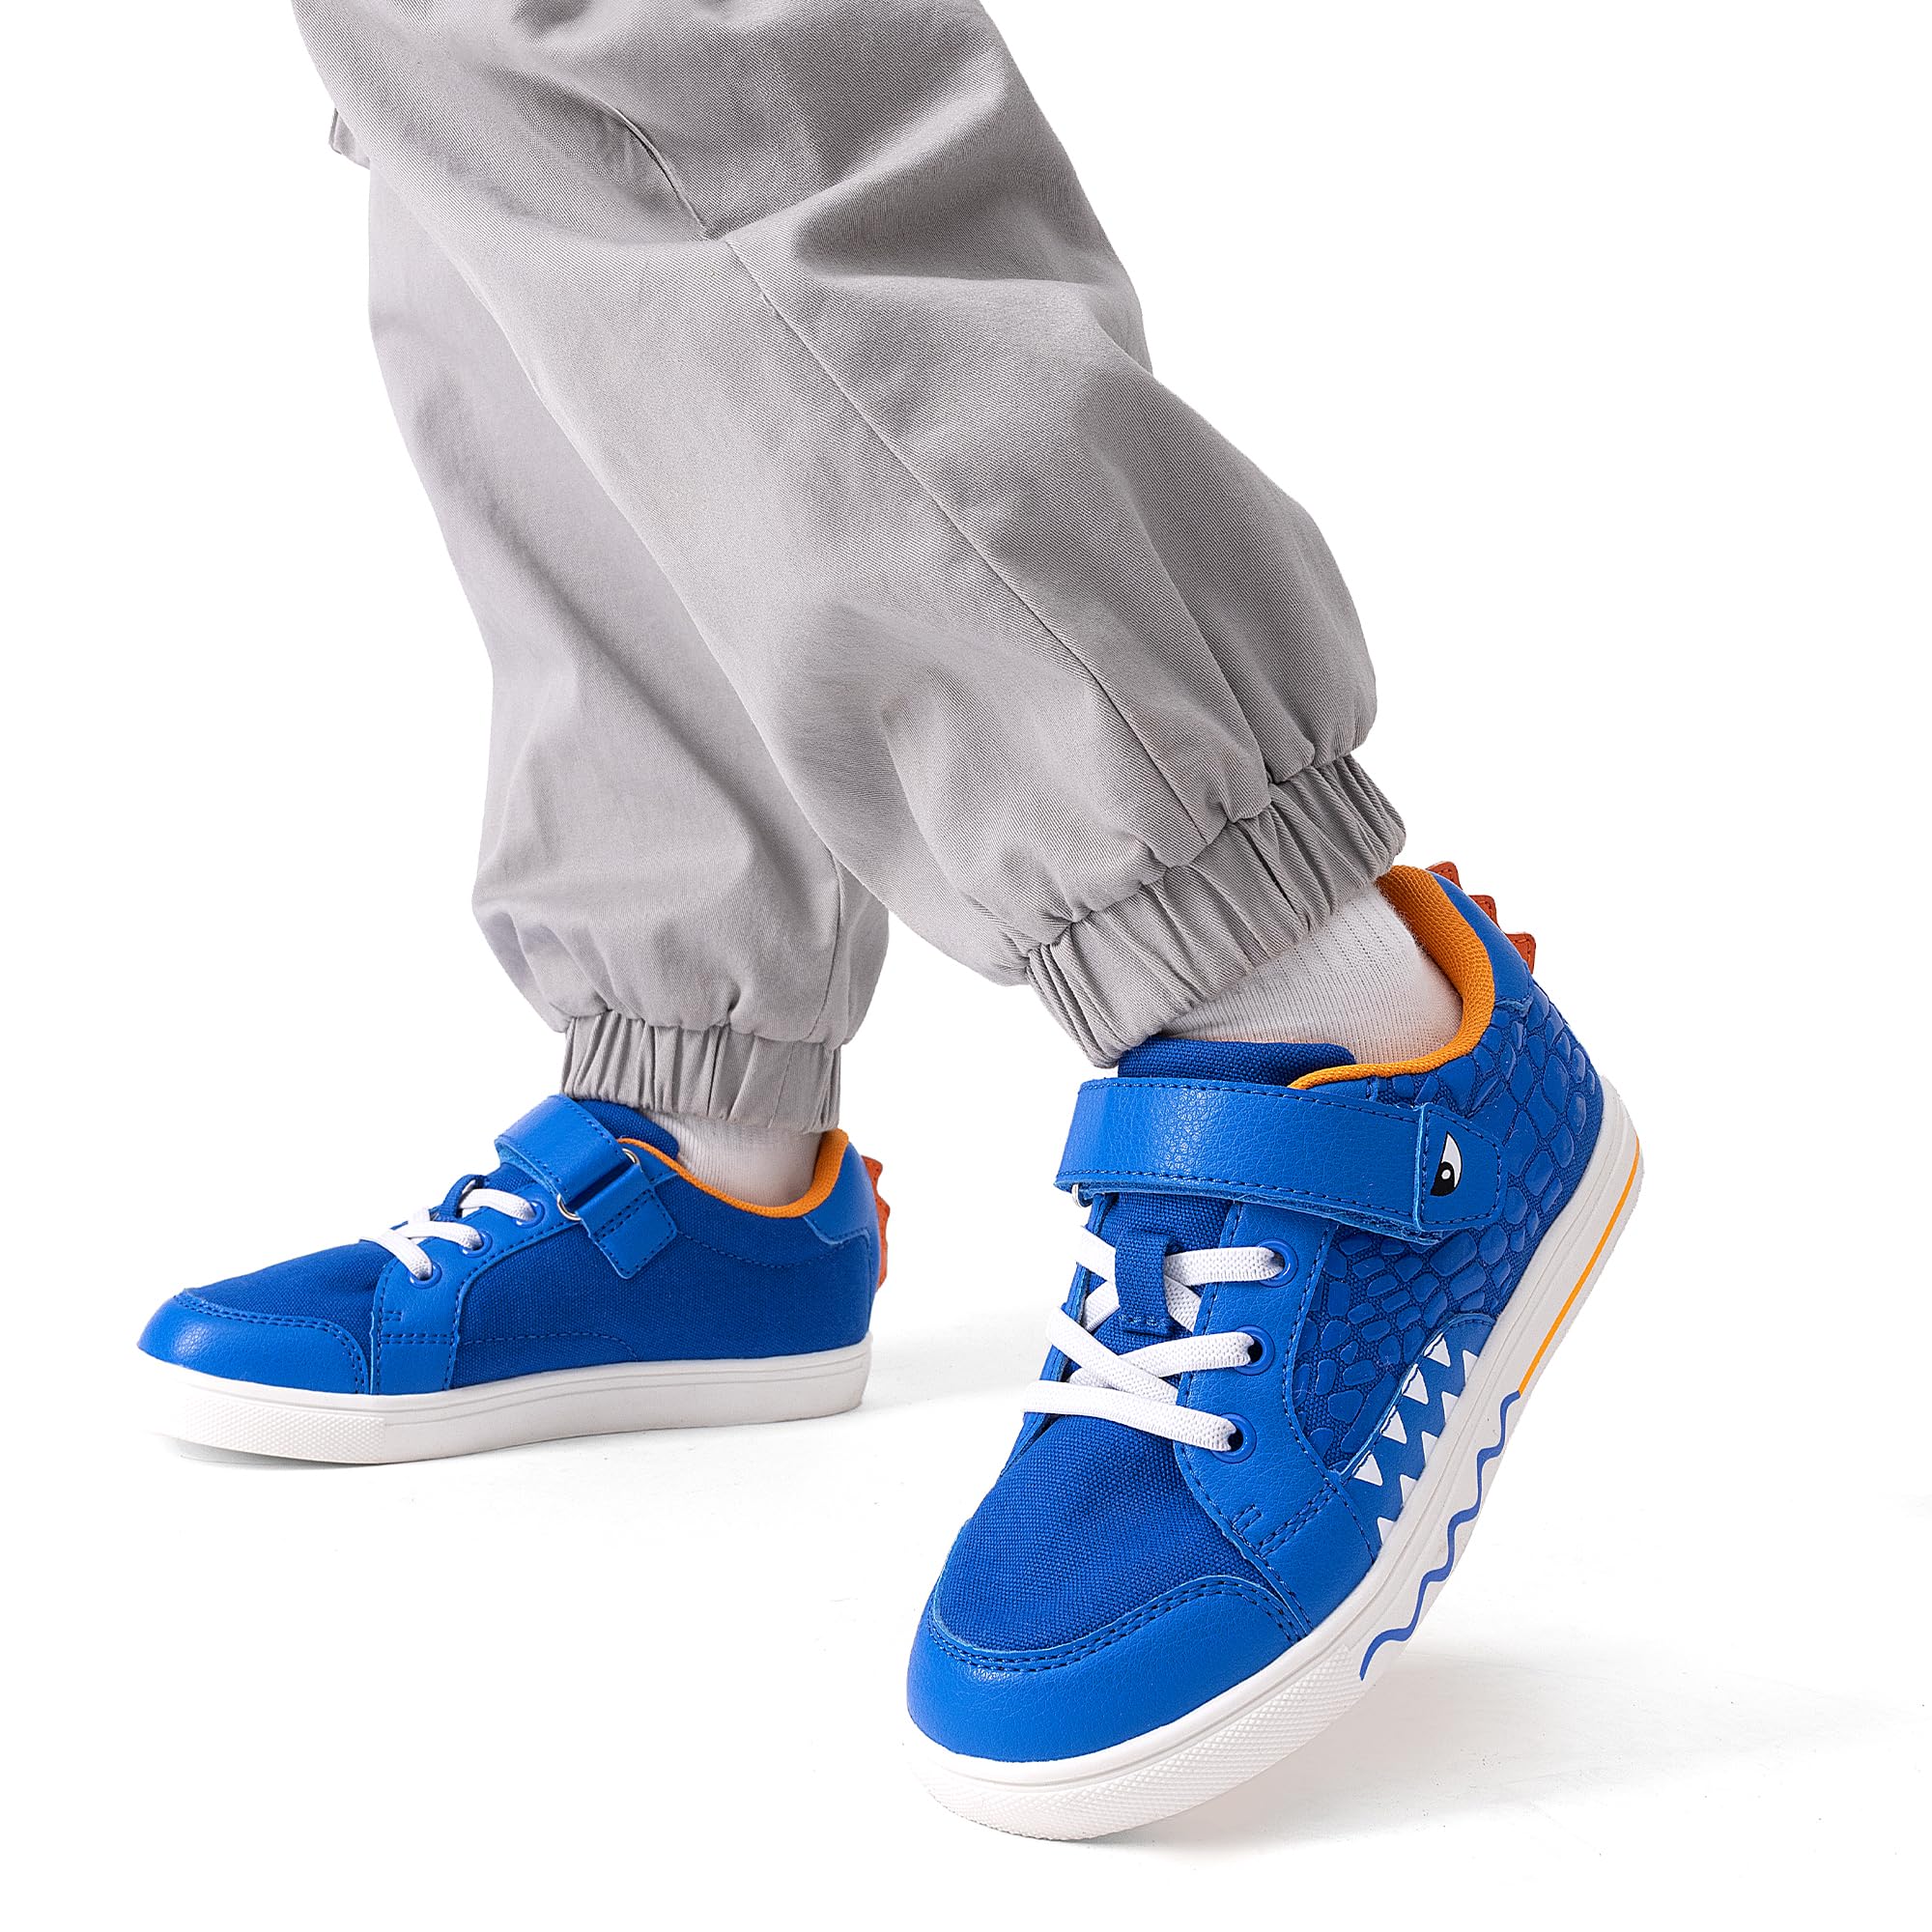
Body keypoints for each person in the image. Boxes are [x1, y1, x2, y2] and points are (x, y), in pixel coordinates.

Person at [135, 2, 1641, 1837]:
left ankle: (1309, 1003)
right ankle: (703, 1124)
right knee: (460, 118)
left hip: (1325, 1034)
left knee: (638, 42)